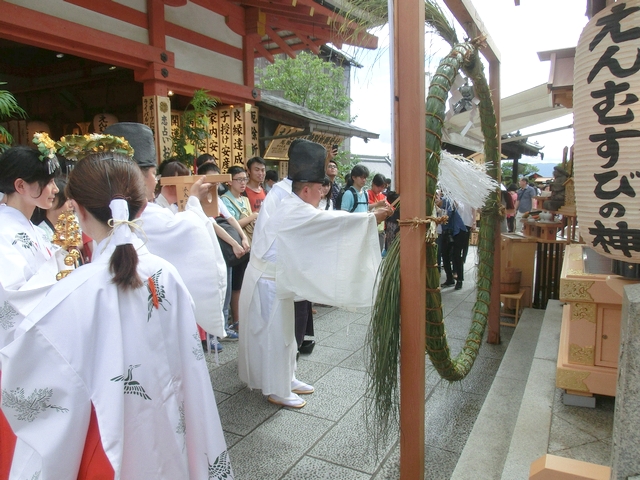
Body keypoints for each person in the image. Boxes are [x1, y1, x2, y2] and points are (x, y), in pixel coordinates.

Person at [0, 153, 232, 479]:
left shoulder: (80, 290)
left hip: (110, 433)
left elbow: (32, 374)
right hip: (170, 415)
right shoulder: (166, 272)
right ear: (140, 207)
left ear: (78, 210)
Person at [238, 139, 391, 408]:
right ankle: (277, 387)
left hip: (279, 275)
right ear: (307, 185)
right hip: (269, 278)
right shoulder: (287, 199)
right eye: (320, 188)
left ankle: (287, 377)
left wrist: (369, 214)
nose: (322, 194)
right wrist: (370, 219)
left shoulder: (293, 194)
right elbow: (327, 222)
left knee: (285, 335)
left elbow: (321, 221)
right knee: (275, 336)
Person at [104, 123, 227, 344]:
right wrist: (194, 202)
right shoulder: (142, 214)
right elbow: (186, 232)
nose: (156, 180)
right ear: (138, 177)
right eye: (152, 173)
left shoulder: (108, 210)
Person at [0, 142, 61, 349]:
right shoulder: (3, 230)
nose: (55, 189)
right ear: (20, 186)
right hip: (20, 342)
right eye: (48, 181)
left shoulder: (34, 230)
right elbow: (11, 294)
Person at [221, 165, 258, 336]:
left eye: (245, 179)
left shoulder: (243, 199)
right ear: (230, 181)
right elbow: (232, 224)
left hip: (248, 243)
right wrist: (253, 216)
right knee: (236, 285)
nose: (243, 183)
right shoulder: (225, 200)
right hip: (235, 246)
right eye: (239, 179)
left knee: (245, 283)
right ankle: (236, 320)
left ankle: (243, 317)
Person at [440, 196, 467, 290]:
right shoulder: (441, 202)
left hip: (458, 231)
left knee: (456, 255)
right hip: (446, 232)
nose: (436, 201)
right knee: (444, 254)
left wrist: (438, 211)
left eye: (436, 199)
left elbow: (447, 216)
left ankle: (459, 280)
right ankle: (450, 279)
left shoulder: (448, 201)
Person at [367, 173, 392, 251]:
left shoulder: (383, 196)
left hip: (380, 229)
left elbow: (391, 210)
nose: (380, 189)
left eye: (382, 187)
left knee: (379, 253)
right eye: (378, 186)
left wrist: (389, 209)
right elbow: (366, 207)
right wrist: (378, 204)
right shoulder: (367, 193)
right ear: (373, 184)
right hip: (369, 228)